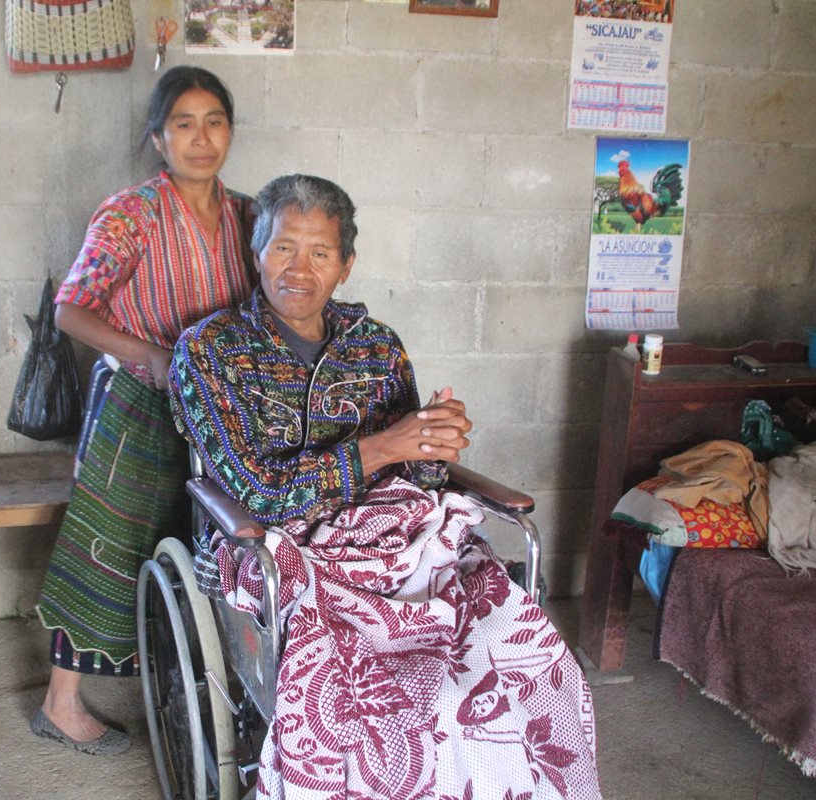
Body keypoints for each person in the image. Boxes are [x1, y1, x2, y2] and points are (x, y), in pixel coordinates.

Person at [170, 175, 602, 798]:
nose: (299, 268)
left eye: (320, 252)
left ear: (345, 266)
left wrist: (433, 441)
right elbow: (254, 493)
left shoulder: (376, 346)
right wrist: (384, 446)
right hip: (273, 549)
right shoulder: (209, 350)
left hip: (392, 534)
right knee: (389, 702)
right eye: (284, 248)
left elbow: (417, 476)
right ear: (255, 254)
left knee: (531, 669)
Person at [31, 66, 255, 755]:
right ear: (158, 138)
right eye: (183, 123)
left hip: (216, 405)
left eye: (214, 121)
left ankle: (210, 685)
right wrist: (150, 357)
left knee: (210, 543)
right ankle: (60, 704)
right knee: (109, 545)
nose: (201, 137)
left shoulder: (249, 213)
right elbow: (72, 309)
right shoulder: (132, 213)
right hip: (136, 404)